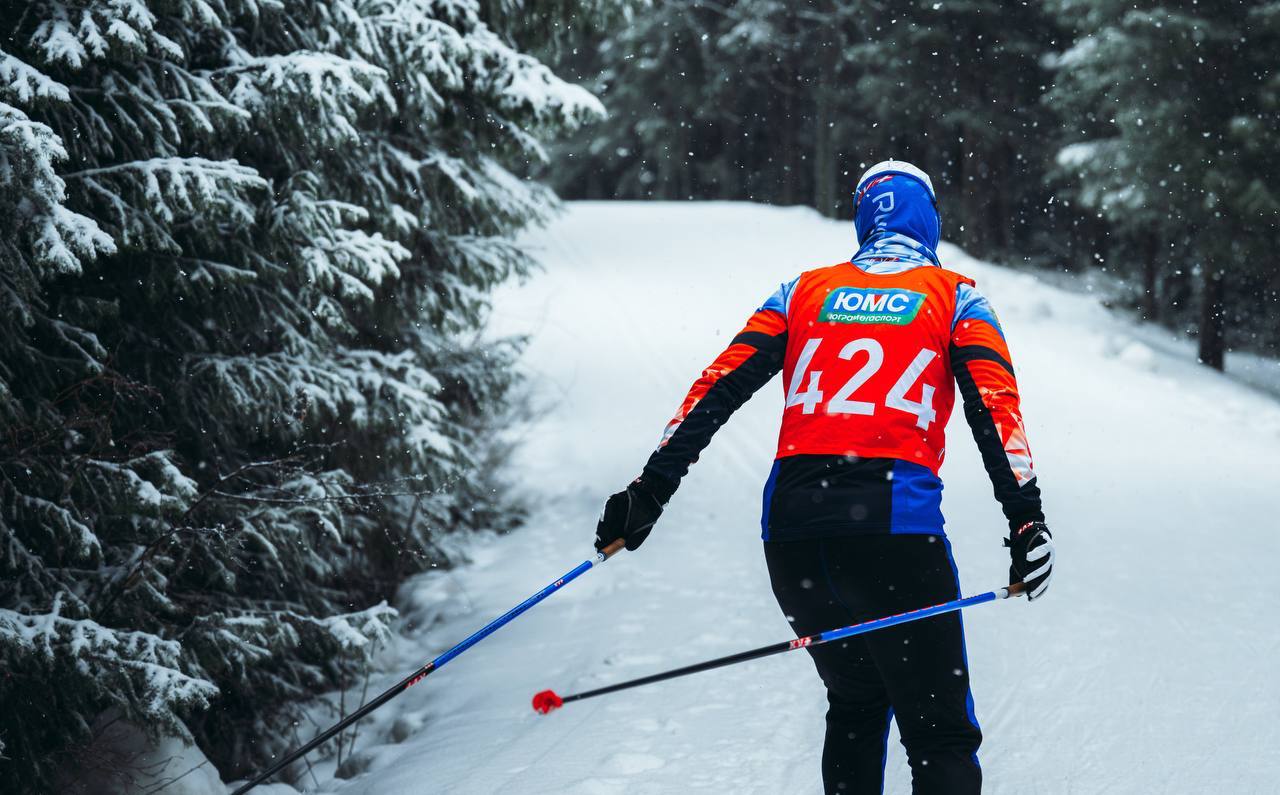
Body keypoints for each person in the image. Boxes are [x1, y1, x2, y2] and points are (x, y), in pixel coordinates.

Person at [593, 160, 1055, 794]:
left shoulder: (801, 292)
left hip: (793, 536)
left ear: (864, 220)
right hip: (895, 537)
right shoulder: (956, 297)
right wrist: (1026, 517)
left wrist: (648, 494)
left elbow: (716, 389)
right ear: (931, 221)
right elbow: (995, 409)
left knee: (858, 705)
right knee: (939, 734)